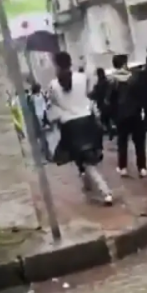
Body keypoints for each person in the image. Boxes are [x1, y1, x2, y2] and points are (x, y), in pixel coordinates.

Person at [46, 52, 112, 204]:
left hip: (70, 126)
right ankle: (89, 183)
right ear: (70, 62)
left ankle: (105, 191)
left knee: (83, 160)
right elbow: (88, 95)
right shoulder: (82, 78)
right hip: (87, 121)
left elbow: (54, 104)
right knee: (87, 156)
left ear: (56, 65)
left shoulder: (53, 85)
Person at [108, 54, 147, 178]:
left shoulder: (112, 81)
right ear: (124, 64)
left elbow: (110, 101)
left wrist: (112, 117)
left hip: (120, 115)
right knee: (139, 142)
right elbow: (141, 95)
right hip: (135, 113)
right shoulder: (134, 78)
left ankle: (123, 167)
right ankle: (142, 168)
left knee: (122, 142)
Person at [90, 67, 114, 140]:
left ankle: (106, 132)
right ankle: (110, 131)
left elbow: (95, 93)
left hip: (103, 104)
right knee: (106, 119)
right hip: (106, 104)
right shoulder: (106, 82)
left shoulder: (100, 83)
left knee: (103, 120)